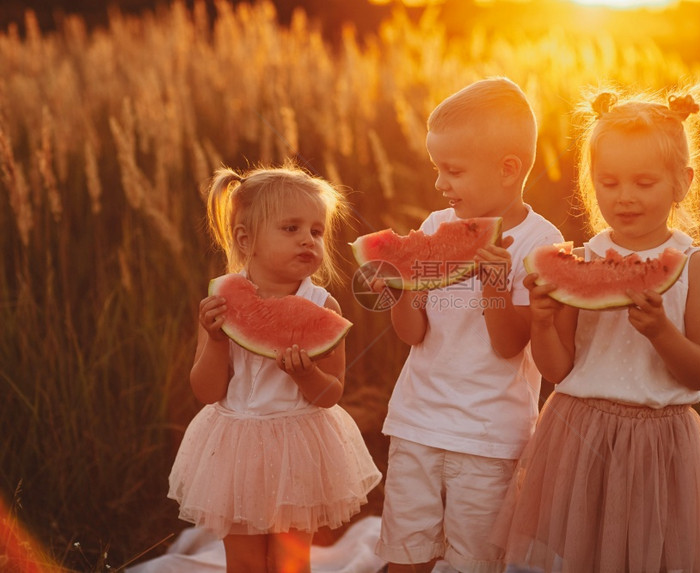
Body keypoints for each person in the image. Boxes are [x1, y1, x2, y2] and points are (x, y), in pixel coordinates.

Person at [491, 87, 700, 572]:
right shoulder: (583, 260)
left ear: (682, 182)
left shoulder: (695, 267)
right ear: (590, 184)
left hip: (659, 444)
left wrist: (661, 331)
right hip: (578, 433)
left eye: (644, 182)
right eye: (609, 182)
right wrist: (542, 319)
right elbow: (558, 368)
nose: (624, 197)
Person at [373, 77, 564, 573]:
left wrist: (496, 285)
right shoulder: (437, 226)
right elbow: (412, 334)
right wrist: (404, 289)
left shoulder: (540, 242)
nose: (440, 184)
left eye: (453, 171)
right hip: (416, 423)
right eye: (438, 170)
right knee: (404, 554)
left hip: (488, 438)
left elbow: (508, 345)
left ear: (508, 169)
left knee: (475, 562)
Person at [168, 165, 382, 573]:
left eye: (316, 231)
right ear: (246, 240)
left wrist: (305, 374)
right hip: (235, 446)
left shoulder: (324, 307)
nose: (308, 239)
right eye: (290, 229)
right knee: (244, 562)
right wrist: (215, 340)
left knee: (290, 561)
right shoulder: (222, 303)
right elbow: (207, 390)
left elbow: (331, 394)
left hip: (298, 445)